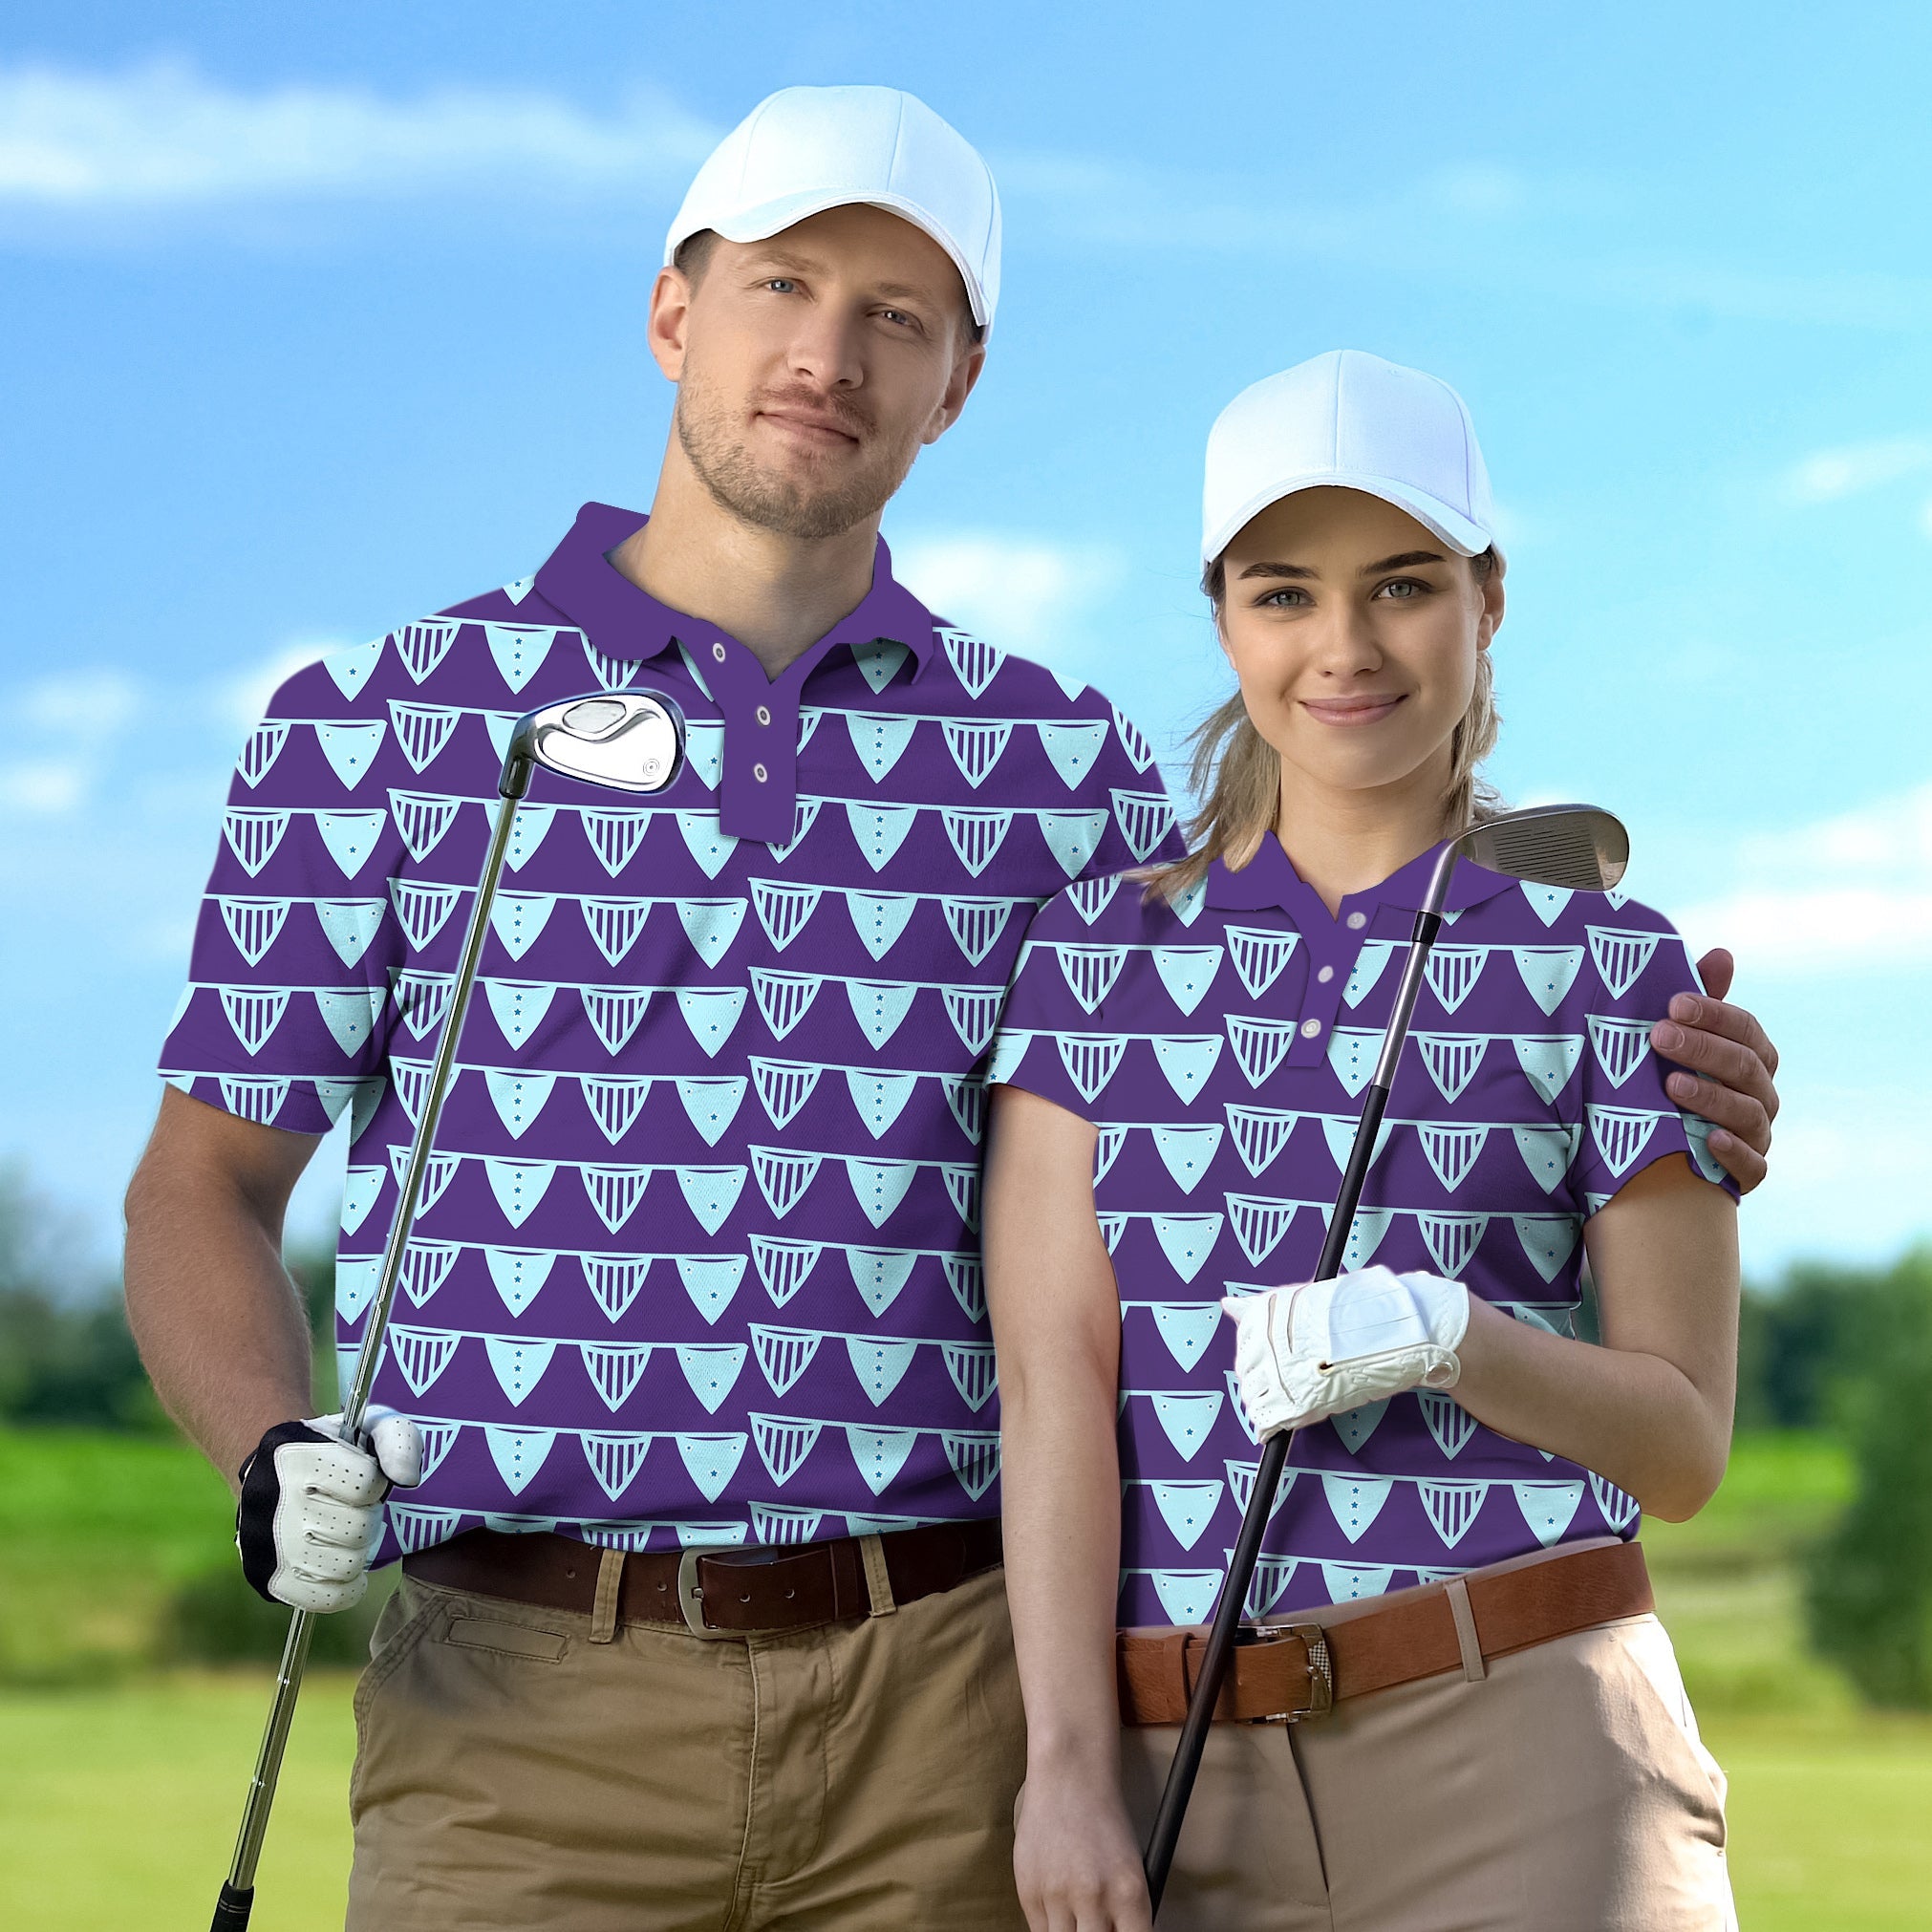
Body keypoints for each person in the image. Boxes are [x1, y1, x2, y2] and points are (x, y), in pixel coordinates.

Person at [118, 84, 1777, 1927]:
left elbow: (1294, 993)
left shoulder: (1055, 767)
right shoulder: (379, 731)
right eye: (780, 287)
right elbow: (202, 1186)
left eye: (894, 317)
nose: (826, 355)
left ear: (958, 380)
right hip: (514, 1709)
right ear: (674, 311)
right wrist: (269, 1449)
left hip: (947, 1702)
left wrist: (1656, 1060)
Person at [984, 351, 1752, 1930]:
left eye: (1400, 585)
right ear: (1220, 618)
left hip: (1529, 1732)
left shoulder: (1611, 962)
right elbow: (1056, 1384)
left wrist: (1445, 1336)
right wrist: (1062, 1763)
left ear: (1484, 600)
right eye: (1283, 594)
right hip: (1182, 1767)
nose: (1342, 647)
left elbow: (1677, 1448)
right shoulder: (1091, 964)